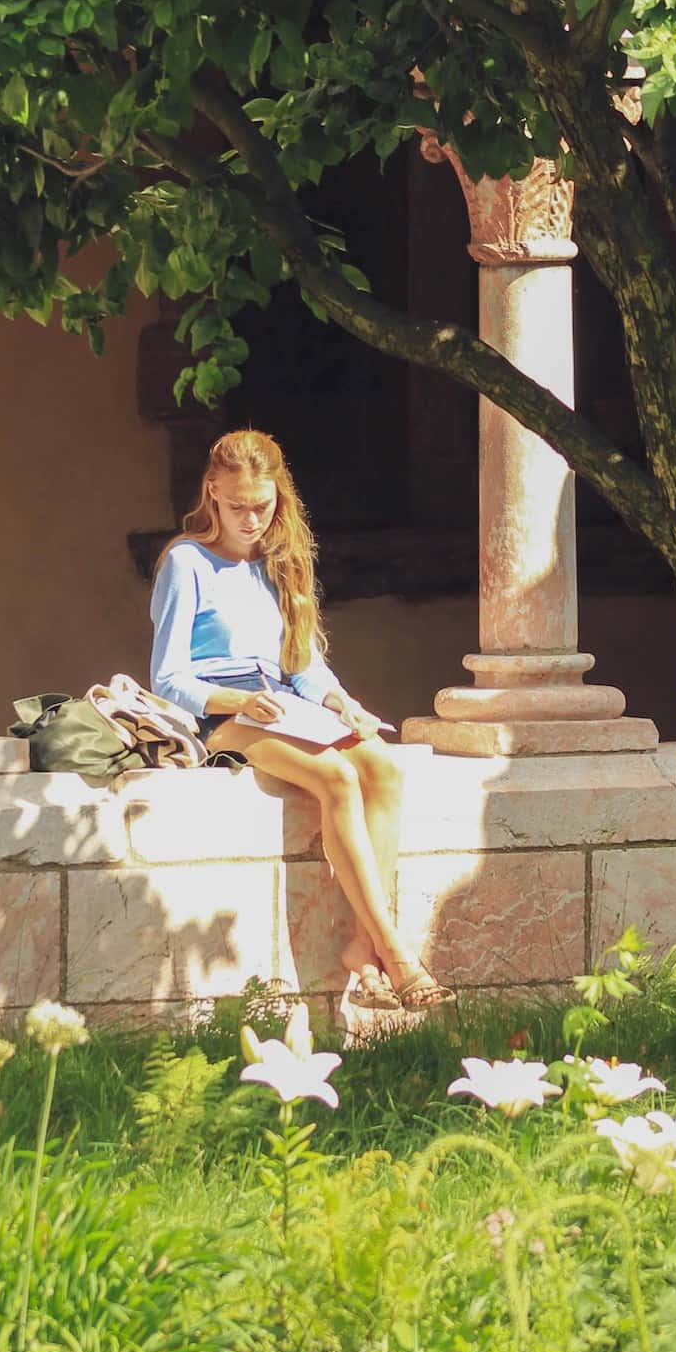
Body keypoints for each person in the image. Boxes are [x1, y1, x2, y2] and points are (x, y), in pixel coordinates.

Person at [149, 428, 455, 1012]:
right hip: (227, 712)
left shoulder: (279, 560)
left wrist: (342, 703)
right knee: (336, 778)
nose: (250, 519)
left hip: (289, 700)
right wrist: (237, 702)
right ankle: (398, 955)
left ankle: (361, 950)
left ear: (277, 498)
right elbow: (167, 679)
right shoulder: (185, 561)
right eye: (237, 507)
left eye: (261, 507)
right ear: (211, 491)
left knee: (383, 770)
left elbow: (305, 665)